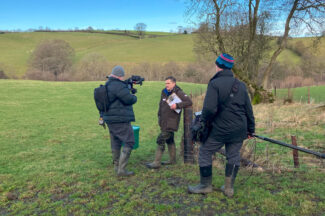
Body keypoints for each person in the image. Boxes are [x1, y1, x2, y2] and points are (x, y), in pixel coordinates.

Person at [188, 53, 255, 197]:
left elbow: (209, 109)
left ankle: (205, 185)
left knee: (205, 152)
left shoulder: (214, 84)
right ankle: (229, 189)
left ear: (218, 66)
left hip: (220, 129)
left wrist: (203, 122)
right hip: (239, 129)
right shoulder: (241, 85)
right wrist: (251, 129)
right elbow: (248, 109)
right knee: (233, 155)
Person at [146, 76, 193, 169]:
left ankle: (156, 162)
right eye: (165, 83)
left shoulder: (179, 92)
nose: (166, 85)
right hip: (163, 120)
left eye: (168, 83)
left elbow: (189, 102)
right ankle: (172, 160)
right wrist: (159, 116)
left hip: (171, 121)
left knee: (161, 139)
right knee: (169, 139)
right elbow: (161, 105)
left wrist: (177, 105)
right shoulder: (164, 92)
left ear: (174, 83)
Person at [99, 65, 137, 176]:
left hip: (109, 119)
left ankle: (116, 166)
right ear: (120, 76)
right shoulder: (118, 85)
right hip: (120, 118)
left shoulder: (108, 84)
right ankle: (122, 170)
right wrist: (133, 94)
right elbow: (129, 99)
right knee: (130, 141)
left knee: (116, 142)